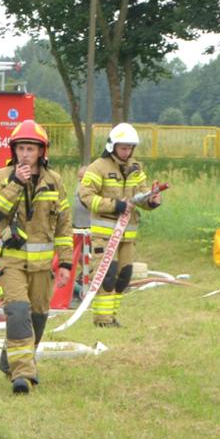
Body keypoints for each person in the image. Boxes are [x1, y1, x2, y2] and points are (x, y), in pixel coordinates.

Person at [0, 120, 73, 394]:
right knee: (18, 312)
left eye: (31, 149)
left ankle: (10, 361)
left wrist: (67, 263)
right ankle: (23, 376)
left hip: (43, 267)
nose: (25, 154)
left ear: (41, 152)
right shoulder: (1, 177)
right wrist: (15, 184)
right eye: (21, 148)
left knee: (36, 319)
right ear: (14, 151)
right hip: (10, 262)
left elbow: (64, 225)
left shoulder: (54, 181)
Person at [77, 123, 166, 327]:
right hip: (105, 234)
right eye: (123, 147)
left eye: (130, 148)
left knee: (123, 277)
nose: (127, 152)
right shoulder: (98, 167)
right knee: (106, 277)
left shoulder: (136, 169)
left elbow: (141, 195)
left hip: (128, 235)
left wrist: (151, 201)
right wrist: (114, 205)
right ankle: (102, 320)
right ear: (112, 146)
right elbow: (86, 196)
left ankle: (112, 317)